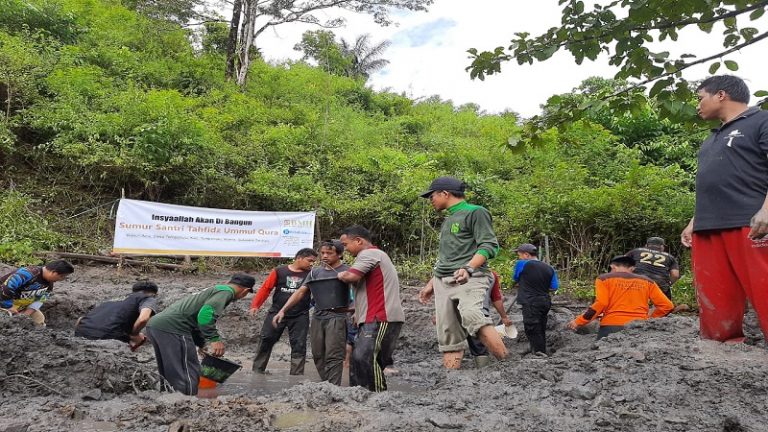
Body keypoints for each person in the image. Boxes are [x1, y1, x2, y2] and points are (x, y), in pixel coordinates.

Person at [680, 75, 768, 343]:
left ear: (721, 95)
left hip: (750, 221)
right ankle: (722, 349)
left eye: (700, 98)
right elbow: (714, 181)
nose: (698, 105)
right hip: (708, 227)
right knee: (715, 295)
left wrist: (766, 209)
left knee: (764, 286)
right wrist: (695, 220)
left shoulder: (762, 120)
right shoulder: (712, 138)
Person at [418, 176, 507, 369]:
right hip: (443, 281)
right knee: (448, 331)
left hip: (470, 278)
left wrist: (469, 267)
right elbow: (446, 258)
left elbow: (489, 245)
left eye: (432, 195)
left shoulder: (476, 212)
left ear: (445, 193)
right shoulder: (449, 219)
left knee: (473, 315)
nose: (430, 200)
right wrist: (431, 284)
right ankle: (451, 382)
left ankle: (506, 366)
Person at [144, 273, 254, 395]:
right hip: (174, 327)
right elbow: (205, 315)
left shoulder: (216, 290)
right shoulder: (226, 293)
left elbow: (195, 320)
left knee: (171, 371)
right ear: (246, 291)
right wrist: (214, 339)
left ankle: (168, 401)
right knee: (188, 371)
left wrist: (201, 344)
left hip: (155, 326)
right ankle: (187, 404)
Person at [273, 240, 351, 385]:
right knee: (317, 354)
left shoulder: (348, 271)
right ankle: (326, 384)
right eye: (322, 253)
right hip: (317, 316)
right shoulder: (315, 273)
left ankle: (333, 387)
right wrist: (283, 310)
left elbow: (360, 293)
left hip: (337, 317)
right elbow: (300, 292)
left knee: (333, 355)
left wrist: (356, 309)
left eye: (329, 253)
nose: (325, 256)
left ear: (339, 254)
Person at [337, 225, 404, 392]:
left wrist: (340, 274)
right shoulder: (376, 255)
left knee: (364, 357)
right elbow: (366, 291)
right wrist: (357, 313)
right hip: (375, 317)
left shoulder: (369, 253)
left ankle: (377, 396)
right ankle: (359, 394)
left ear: (358, 241)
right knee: (363, 359)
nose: (345, 249)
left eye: (346, 245)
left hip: (380, 316)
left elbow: (351, 275)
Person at [420, 270, 512, 368]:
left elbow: (445, 298)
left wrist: (439, 314)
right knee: (479, 347)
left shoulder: (451, 273)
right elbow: (496, 298)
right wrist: (504, 317)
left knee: (454, 345)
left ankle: (453, 374)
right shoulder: (490, 274)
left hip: (455, 318)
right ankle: (486, 369)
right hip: (477, 315)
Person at [568, 256, 673, 339]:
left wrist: (579, 321)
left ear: (613, 267)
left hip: (611, 326)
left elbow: (601, 303)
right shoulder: (647, 281)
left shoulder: (604, 279)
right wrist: (649, 319)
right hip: (639, 327)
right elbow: (667, 305)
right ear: (632, 268)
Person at [250, 248, 318, 375]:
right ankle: (257, 371)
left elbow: (319, 292)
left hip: (300, 315)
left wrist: (312, 305)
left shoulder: (312, 273)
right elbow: (266, 288)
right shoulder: (279, 271)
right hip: (276, 312)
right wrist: (255, 305)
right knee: (266, 339)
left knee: (299, 344)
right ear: (299, 258)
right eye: (310, 261)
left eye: (313, 262)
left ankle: (296, 376)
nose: (312, 264)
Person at [75, 281, 159, 350]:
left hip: (80, 333)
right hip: (107, 338)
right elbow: (143, 319)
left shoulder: (110, 302)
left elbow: (80, 319)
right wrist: (134, 334)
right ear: (154, 294)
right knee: (140, 339)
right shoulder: (148, 298)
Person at [512, 243, 559, 356]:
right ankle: (538, 350)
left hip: (530, 301)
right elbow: (554, 287)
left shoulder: (521, 264)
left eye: (519, 255)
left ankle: (539, 354)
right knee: (541, 327)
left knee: (532, 328)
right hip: (545, 301)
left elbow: (516, 278)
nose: (519, 258)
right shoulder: (549, 268)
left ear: (526, 255)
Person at [0, 260, 74, 326]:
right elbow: (6, 288)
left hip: (20, 306)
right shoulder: (28, 273)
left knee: (39, 319)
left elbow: (40, 300)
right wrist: (9, 307)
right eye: (62, 277)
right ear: (54, 272)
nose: (61, 280)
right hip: (3, 302)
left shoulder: (49, 284)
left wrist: (25, 315)